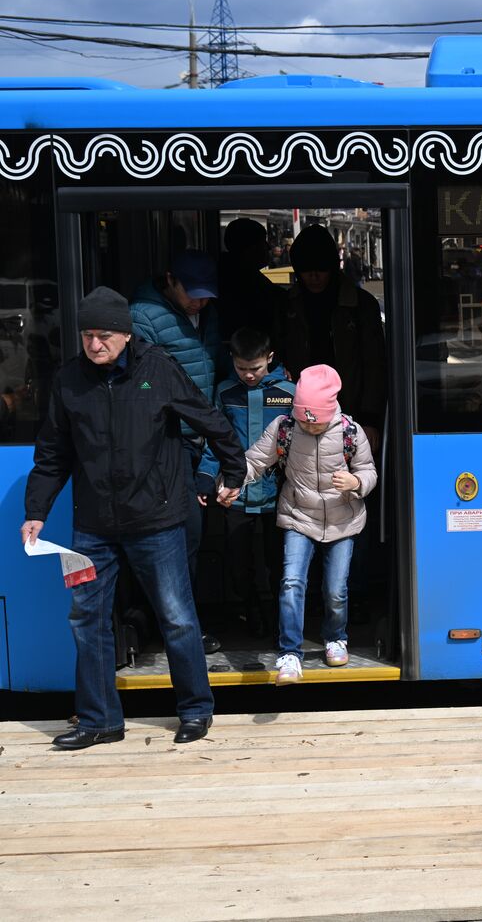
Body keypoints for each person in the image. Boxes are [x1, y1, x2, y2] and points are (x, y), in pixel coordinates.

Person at [21, 287, 246, 749]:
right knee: (86, 619)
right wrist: (36, 512)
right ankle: (99, 720)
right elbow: (51, 456)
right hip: (92, 528)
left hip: (157, 521)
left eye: (104, 335)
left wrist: (233, 469)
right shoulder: (69, 382)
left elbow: (208, 418)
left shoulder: (157, 369)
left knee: (178, 619)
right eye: (87, 335)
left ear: (125, 335)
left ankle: (195, 710)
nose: (94, 344)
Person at [237, 364, 377, 686]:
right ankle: (290, 653)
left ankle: (335, 637)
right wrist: (231, 481)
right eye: (304, 420)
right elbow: (255, 460)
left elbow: (369, 471)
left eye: (316, 422)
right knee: (291, 583)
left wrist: (355, 481)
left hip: (343, 520)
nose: (309, 427)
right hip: (298, 516)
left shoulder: (350, 432)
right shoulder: (284, 428)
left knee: (335, 591)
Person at [130, 249, 224, 653]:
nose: (199, 303)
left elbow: (217, 374)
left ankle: (179, 624)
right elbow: (143, 388)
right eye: (193, 294)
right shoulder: (142, 316)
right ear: (170, 279)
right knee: (182, 535)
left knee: (192, 536)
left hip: (200, 438)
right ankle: (179, 629)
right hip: (168, 442)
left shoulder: (208, 313)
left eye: (206, 296)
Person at [196, 327, 297, 638]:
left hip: (278, 494)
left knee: (277, 560)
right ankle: (249, 608)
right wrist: (205, 477)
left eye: (255, 368)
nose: (249, 376)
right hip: (235, 494)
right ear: (232, 361)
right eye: (242, 368)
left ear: (269, 358)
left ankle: (280, 616)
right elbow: (217, 438)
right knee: (238, 561)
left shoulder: (289, 392)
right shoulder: (226, 391)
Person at [279, 225, 386, 457]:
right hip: (302, 414)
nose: (314, 277)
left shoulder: (360, 305)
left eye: (321, 269)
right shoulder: (288, 305)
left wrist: (369, 418)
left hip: (352, 413)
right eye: (306, 271)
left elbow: (374, 364)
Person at [218, 218, 284, 343]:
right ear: (248, 249)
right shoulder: (240, 281)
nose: (268, 247)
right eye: (262, 242)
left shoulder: (245, 274)